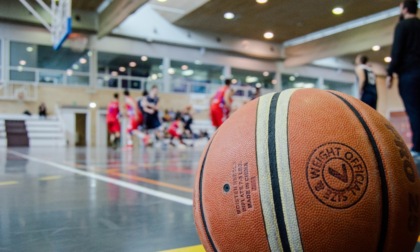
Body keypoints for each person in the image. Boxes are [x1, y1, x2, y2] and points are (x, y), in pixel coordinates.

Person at [386, 0, 420, 157]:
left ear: (405, 9)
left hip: (409, 75)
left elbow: (397, 51)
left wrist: (390, 73)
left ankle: (418, 148)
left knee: (414, 111)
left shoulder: (403, 26)